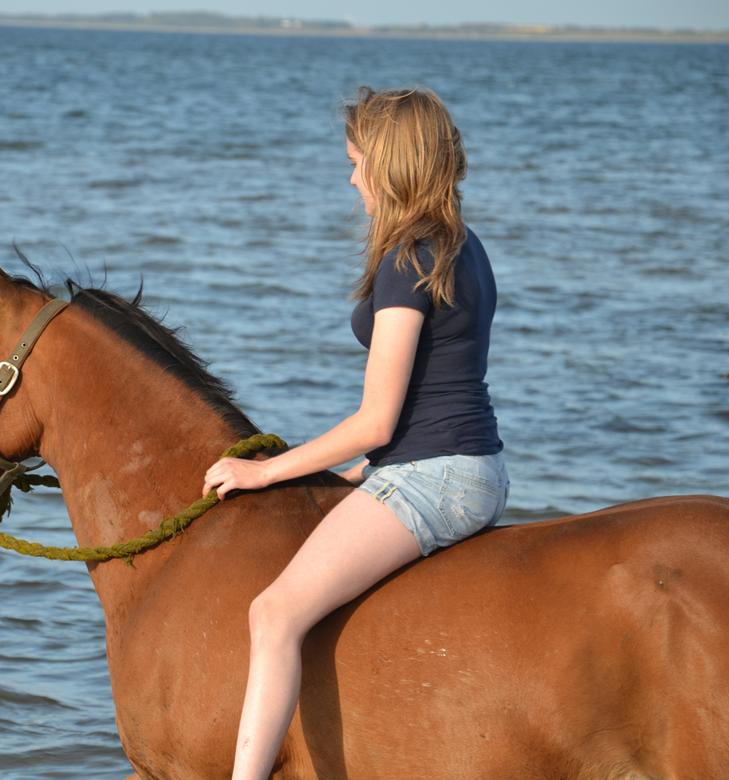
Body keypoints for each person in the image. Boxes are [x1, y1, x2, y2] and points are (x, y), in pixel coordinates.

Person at [201, 86, 508, 779]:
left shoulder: (408, 260)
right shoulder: (463, 246)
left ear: (390, 166)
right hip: (466, 462)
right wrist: (362, 472)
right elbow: (440, 384)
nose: (350, 179)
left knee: (273, 613)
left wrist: (264, 471)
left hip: (434, 474)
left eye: (356, 162)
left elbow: (375, 418)